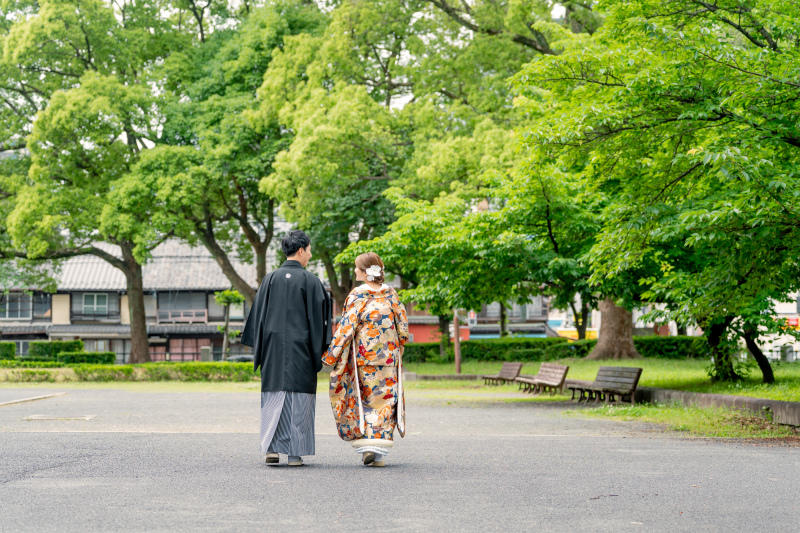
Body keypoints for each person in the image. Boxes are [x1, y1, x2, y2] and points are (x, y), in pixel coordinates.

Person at [241, 230, 332, 466]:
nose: (310, 255)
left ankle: (271, 449)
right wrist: (321, 348)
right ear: (301, 250)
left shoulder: (269, 280)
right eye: (309, 250)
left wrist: (261, 345)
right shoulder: (312, 282)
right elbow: (320, 320)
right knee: (300, 399)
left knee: (273, 395)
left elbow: (258, 316)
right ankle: (294, 454)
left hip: (272, 349)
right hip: (302, 348)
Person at [323, 252, 409, 466]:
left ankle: (368, 447)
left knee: (366, 401)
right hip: (389, 360)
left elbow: (346, 328)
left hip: (365, 359)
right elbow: (403, 329)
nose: (354, 271)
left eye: (356, 268)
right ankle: (378, 454)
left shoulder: (357, 295)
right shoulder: (391, 294)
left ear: (364, 272)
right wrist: (397, 350)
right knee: (386, 402)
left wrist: (330, 356)